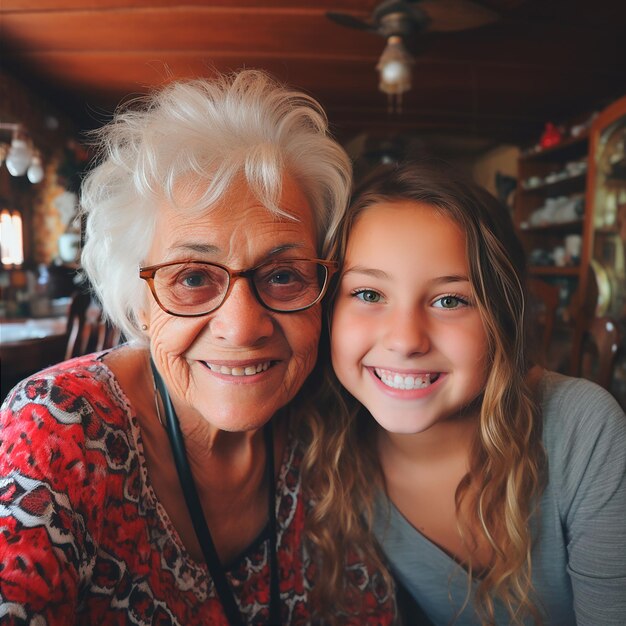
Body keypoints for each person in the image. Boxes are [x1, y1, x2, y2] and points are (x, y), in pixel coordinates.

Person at [0, 70, 397, 625]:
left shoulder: (333, 422)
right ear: (138, 301)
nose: (242, 327)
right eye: (191, 278)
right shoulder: (57, 427)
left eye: (284, 275)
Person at [316, 160, 626, 625]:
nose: (405, 340)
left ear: (501, 319)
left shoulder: (581, 429)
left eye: (450, 300)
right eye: (368, 294)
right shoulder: (327, 452)